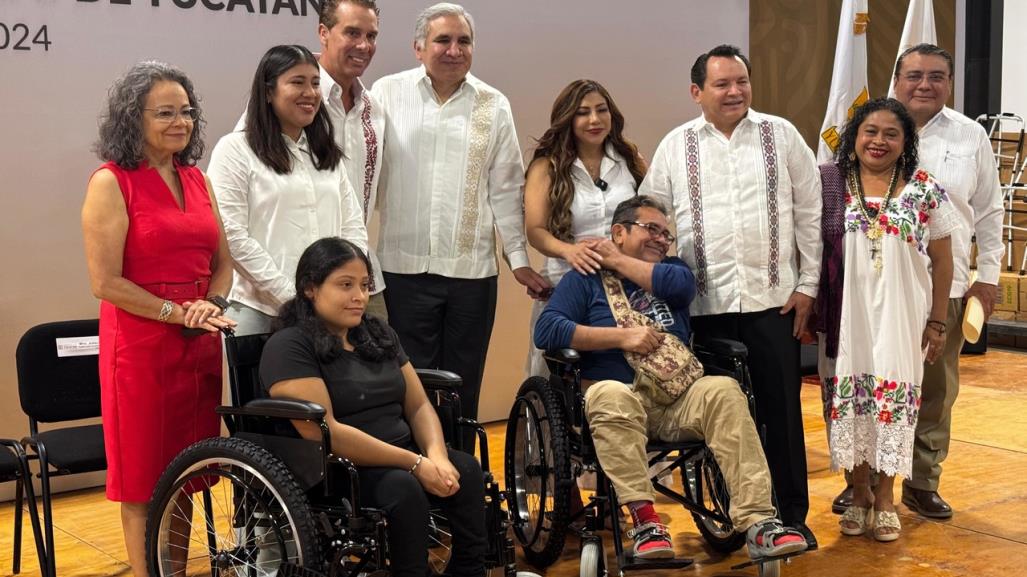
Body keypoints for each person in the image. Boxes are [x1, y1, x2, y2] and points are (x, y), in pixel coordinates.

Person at [535, 195, 808, 561]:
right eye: (652, 229)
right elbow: (548, 330)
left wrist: (616, 258)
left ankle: (759, 522)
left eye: (666, 234)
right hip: (622, 397)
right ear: (619, 231)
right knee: (608, 394)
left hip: (677, 399)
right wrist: (622, 337)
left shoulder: (673, 273)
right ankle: (646, 523)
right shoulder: (584, 280)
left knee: (724, 390)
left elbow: (679, 287)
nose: (661, 240)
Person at [639, 44, 821, 547]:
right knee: (719, 420)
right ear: (697, 92)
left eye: (741, 81)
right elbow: (654, 224)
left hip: (773, 302)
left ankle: (790, 515)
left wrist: (807, 287)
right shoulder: (676, 146)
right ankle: (732, 518)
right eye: (722, 84)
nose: (735, 91)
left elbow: (809, 213)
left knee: (781, 415)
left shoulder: (780, 136)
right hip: (702, 310)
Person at [371, 2, 549, 451]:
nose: (454, 50)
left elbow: (506, 189)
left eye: (463, 41)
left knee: (463, 387)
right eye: (442, 40)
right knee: (410, 388)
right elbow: (364, 176)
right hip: (403, 270)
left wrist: (518, 260)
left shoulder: (493, 103)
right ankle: (418, 492)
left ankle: (460, 489)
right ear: (418, 48)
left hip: (472, 275)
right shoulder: (386, 94)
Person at [81, 61, 236, 577]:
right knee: (144, 480)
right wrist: (176, 312)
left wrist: (209, 305)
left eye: (186, 112)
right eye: (165, 112)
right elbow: (105, 283)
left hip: (198, 343)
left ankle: (175, 571)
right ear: (134, 118)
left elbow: (223, 263)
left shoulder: (198, 178)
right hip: (141, 346)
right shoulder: (111, 182)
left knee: (187, 472)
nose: (181, 122)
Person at [259, 237, 487, 577]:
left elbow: (418, 404)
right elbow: (327, 433)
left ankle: (470, 570)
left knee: (465, 469)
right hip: (339, 470)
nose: (360, 297)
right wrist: (415, 464)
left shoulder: (377, 333)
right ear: (310, 288)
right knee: (403, 488)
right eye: (345, 285)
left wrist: (436, 455)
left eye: (365, 286)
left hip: (404, 455)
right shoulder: (289, 345)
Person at [815, 97, 955, 542]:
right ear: (854, 136)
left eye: (891, 134)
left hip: (902, 315)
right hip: (848, 315)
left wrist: (937, 322)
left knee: (894, 404)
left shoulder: (923, 187)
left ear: (906, 141)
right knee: (853, 402)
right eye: (870, 131)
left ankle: (886, 498)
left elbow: (943, 260)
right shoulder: (831, 185)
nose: (879, 141)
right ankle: (858, 494)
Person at [889, 43, 1001, 519]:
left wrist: (988, 277)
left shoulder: (970, 135)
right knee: (877, 382)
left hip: (947, 288)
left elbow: (990, 210)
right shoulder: (872, 128)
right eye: (914, 75)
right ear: (896, 81)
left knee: (936, 391)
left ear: (950, 83)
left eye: (937, 76)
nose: (925, 85)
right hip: (881, 286)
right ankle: (866, 482)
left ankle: (922, 481)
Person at [209, 45, 368, 336]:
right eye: (297, 82)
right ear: (268, 92)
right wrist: (295, 299)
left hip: (328, 314)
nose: (310, 93)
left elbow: (353, 228)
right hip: (260, 313)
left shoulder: (326, 154)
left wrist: (339, 291)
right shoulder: (235, 150)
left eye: (315, 83)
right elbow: (231, 234)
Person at [523, 79, 646, 376]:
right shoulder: (547, 166)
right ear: (568, 118)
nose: (594, 119)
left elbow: (651, 216)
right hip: (567, 282)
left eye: (601, 110)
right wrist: (569, 251)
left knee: (624, 366)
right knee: (555, 376)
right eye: (583, 112)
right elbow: (536, 230)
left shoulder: (630, 159)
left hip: (625, 284)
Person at [316, 0, 390, 319]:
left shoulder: (374, 108)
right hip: (308, 277)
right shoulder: (293, 97)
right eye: (352, 33)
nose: (364, 45)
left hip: (362, 277)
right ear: (324, 33)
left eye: (371, 36)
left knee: (382, 363)